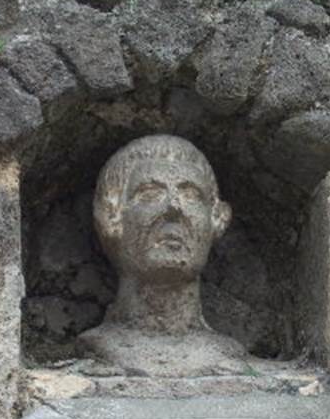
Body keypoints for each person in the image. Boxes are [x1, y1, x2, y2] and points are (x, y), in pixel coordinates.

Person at [80, 135, 249, 375]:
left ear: (218, 219)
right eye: (150, 194)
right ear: (110, 216)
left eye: (191, 195)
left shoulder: (226, 352)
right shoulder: (97, 347)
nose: (174, 207)